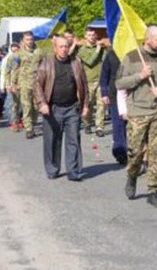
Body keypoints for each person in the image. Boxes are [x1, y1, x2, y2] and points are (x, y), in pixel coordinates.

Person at [117, 25, 157, 208]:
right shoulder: (131, 57)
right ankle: (132, 174)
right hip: (137, 111)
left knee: (156, 152)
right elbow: (119, 82)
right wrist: (140, 76)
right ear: (148, 39)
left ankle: (153, 190)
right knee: (135, 152)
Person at [34, 36, 89, 181]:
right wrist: (42, 103)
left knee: (73, 141)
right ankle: (52, 169)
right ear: (55, 48)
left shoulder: (76, 63)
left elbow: (84, 85)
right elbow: (37, 85)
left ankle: (73, 170)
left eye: (66, 46)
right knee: (52, 140)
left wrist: (85, 105)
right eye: (61, 46)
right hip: (53, 109)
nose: (64, 49)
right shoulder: (47, 63)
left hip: (72, 108)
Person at [13, 31, 44, 139]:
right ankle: (28, 128)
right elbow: (15, 69)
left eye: (31, 39)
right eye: (27, 39)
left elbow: (43, 67)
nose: (30, 41)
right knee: (27, 106)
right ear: (23, 41)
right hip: (24, 83)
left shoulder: (39, 52)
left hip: (36, 83)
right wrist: (13, 83)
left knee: (36, 106)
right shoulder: (19, 53)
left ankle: (33, 123)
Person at [100, 49, 127, 164]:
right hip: (114, 94)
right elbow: (104, 75)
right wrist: (104, 93)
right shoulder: (111, 54)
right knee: (118, 125)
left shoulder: (135, 54)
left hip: (132, 95)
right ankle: (120, 152)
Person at [77, 27, 106, 136]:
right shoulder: (82, 50)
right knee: (88, 105)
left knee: (101, 105)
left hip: (100, 80)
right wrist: (98, 50)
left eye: (93, 35)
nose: (92, 37)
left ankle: (99, 127)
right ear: (85, 36)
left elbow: (105, 61)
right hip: (88, 81)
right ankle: (87, 123)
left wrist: (103, 48)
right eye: (89, 35)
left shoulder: (101, 48)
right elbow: (90, 62)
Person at [4, 43, 22, 131]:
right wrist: (8, 84)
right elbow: (7, 71)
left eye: (16, 48)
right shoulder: (10, 58)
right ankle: (15, 122)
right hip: (14, 84)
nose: (15, 50)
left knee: (26, 105)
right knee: (15, 104)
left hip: (25, 83)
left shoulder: (25, 56)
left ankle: (26, 122)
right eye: (13, 49)